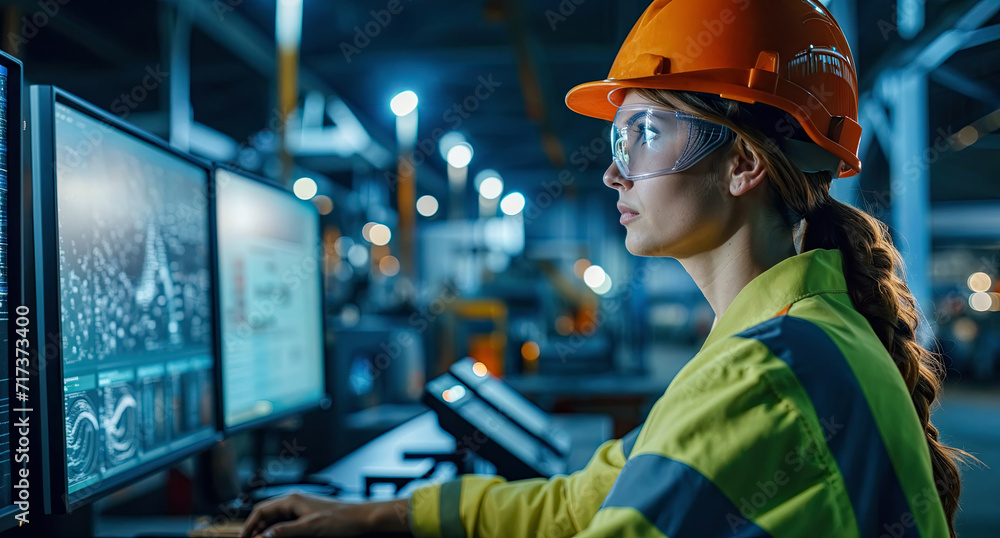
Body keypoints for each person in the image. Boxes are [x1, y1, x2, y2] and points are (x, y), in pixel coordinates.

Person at [240, 0, 970, 536]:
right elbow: (587, 502)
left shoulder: (764, 376)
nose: (614, 176)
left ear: (743, 162)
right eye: (618, 141)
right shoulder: (796, 338)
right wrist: (379, 520)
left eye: (646, 134)